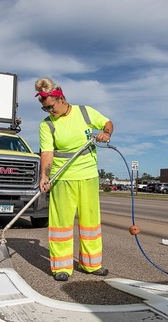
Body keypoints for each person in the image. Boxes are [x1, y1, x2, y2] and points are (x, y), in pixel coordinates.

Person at [35, 77, 114, 281]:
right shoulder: (47, 125)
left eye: (51, 107)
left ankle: (92, 264)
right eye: (45, 109)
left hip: (88, 175)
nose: (49, 112)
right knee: (61, 224)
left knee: (90, 224)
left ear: (61, 98)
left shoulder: (85, 112)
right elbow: (47, 152)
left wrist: (106, 133)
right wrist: (44, 175)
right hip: (62, 178)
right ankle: (61, 267)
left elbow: (107, 123)